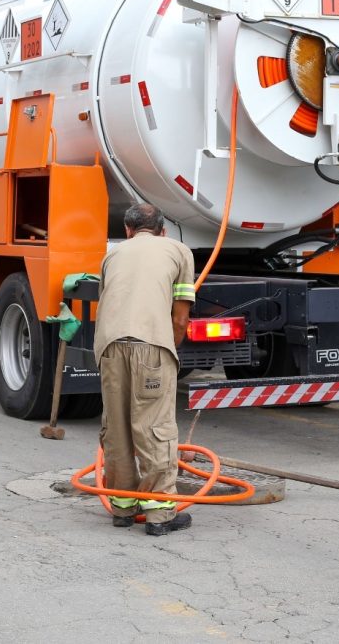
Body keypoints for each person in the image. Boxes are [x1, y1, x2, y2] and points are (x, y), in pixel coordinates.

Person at [93, 203, 196, 536]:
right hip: (151, 346)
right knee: (154, 426)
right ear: (162, 230)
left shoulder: (112, 255)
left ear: (128, 230)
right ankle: (160, 513)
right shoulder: (178, 251)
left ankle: (123, 507)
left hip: (109, 347)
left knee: (118, 427)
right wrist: (168, 348)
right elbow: (180, 318)